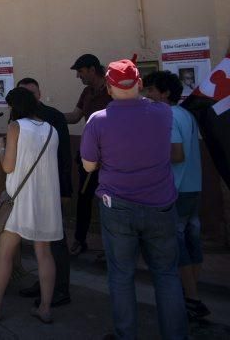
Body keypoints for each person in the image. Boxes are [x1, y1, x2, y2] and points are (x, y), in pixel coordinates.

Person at [81, 59, 187, 339]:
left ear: (109, 86)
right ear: (139, 83)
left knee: (121, 276)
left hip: (118, 206)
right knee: (166, 276)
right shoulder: (164, 113)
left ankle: (126, 335)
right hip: (161, 205)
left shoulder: (98, 120)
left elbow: (89, 166)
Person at [0, 87, 61, 324]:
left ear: (16, 106)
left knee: (4, 255)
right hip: (45, 201)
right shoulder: (51, 130)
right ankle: (45, 308)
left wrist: (1, 147)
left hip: (20, 201)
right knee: (44, 254)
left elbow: (8, 167)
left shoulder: (16, 127)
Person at [144, 70, 209, 319]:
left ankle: (191, 298)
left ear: (165, 93)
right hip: (193, 186)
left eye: (151, 90)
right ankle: (191, 292)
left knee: (177, 244)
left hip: (177, 188)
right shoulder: (186, 114)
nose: (147, 95)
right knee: (192, 241)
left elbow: (177, 154)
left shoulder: (167, 116)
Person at [16, 78, 72, 307]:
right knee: (39, 241)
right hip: (30, 189)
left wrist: (65, 190)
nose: (29, 97)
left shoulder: (55, 116)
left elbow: (64, 156)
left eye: (32, 93)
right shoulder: (17, 119)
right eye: (24, 94)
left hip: (52, 187)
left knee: (55, 241)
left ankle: (61, 290)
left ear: (39, 94)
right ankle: (43, 284)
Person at [64, 54, 112, 256]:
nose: (78, 76)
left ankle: (111, 246)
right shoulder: (86, 93)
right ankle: (80, 240)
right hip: (89, 155)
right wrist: (51, 116)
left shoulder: (111, 91)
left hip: (110, 157)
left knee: (109, 201)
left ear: (92, 70)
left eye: (80, 71)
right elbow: (75, 117)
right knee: (84, 198)